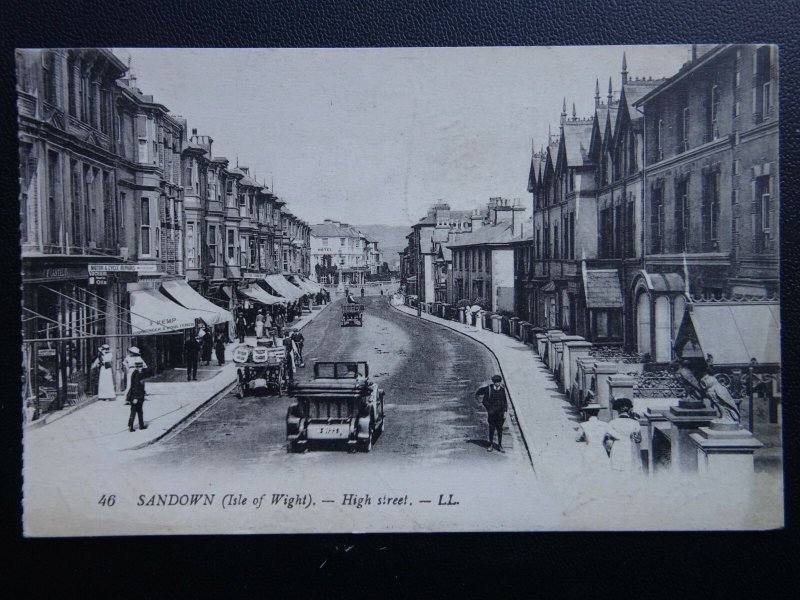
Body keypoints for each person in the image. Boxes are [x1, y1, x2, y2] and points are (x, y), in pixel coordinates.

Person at [605, 398, 643, 472]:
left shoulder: (612, 423)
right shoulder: (635, 423)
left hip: (617, 448)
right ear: (629, 410)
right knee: (631, 469)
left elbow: (608, 441)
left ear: (618, 410)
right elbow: (639, 440)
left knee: (617, 470)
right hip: (630, 447)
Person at [476, 375, 508, 452]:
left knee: (500, 429)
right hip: (492, 414)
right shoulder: (489, 389)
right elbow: (484, 401)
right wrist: (490, 409)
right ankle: (490, 445)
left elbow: (505, 402)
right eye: (496, 382)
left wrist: (505, 412)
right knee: (491, 429)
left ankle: (500, 445)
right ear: (494, 382)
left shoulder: (502, 390)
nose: (498, 384)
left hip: (500, 414)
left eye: (499, 382)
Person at [575, 404, 610, 469]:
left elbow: (577, 438)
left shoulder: (583, 425)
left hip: (589, 449)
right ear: (598, 412)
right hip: (600, 449)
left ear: (587, 413)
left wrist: (585, 438)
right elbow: (608, 436)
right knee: (601, 469)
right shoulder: (605, 424)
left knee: (589, 469)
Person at [126, 358, 147, 432]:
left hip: (139, 396)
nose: (141, 368)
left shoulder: (139, 374)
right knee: (134, 412)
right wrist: (135, 397)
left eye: (141, 367)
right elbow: (134, 387)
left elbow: (141, 386)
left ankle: (141, 425)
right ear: (137, 367)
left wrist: (144, 392)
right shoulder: (136, 375)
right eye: (139, 367)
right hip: (136, 397)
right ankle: (131, 426)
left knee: (140, 411)